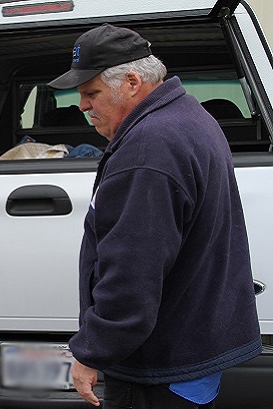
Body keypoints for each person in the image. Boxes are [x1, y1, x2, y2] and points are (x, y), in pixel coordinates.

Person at [48, 24, 261, 408]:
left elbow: (133, 268)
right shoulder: (188, 116)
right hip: (194, 347)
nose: (82, 106)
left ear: (131, 82)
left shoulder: (148, 148)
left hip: (162, 364)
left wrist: (94, 349)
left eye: (91, 92)